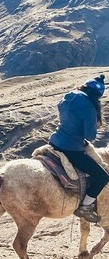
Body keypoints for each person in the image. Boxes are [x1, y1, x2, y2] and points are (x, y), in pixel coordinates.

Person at [49, 74, 106, 223]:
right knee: (102, 176)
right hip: (71, 148)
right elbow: (90, 136)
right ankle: (85, 207)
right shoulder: (90, 107)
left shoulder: (69, 95)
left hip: (54, 141)